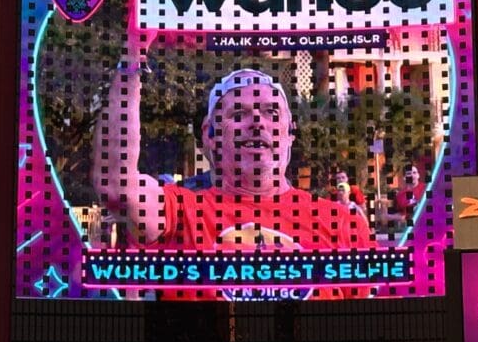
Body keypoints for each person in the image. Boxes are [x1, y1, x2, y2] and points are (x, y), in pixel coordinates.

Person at [92, 39, 373, 262]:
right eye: (238, 113)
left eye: (271, 113)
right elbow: (116, 185)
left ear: (290, 132)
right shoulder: (182, 212)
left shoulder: (343, 226)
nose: (257, 123)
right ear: (210, 134)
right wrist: (131, 61)